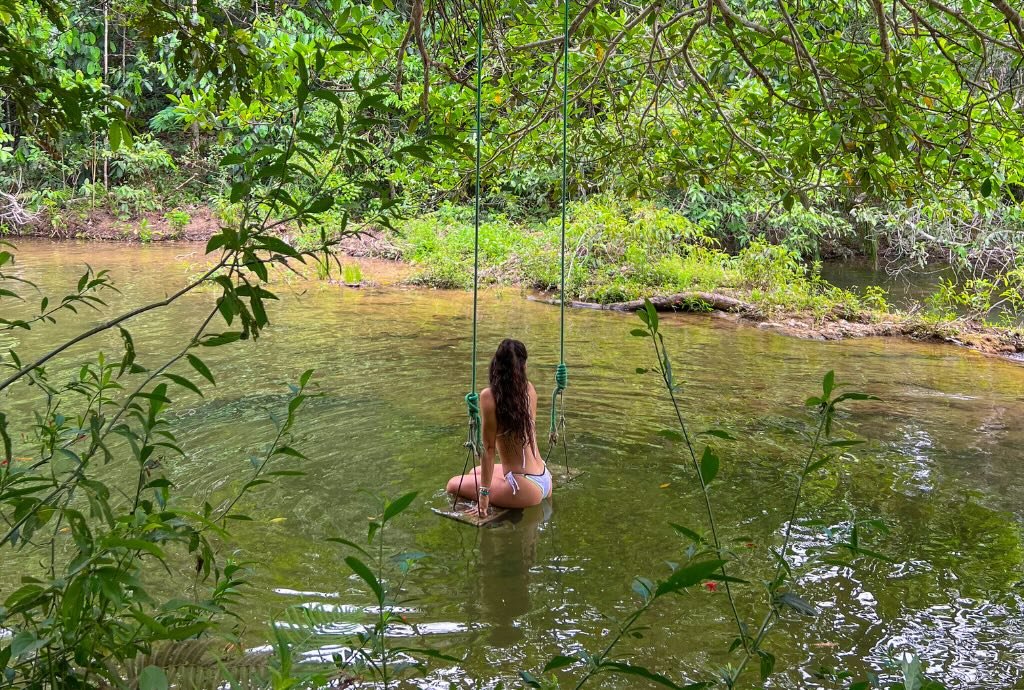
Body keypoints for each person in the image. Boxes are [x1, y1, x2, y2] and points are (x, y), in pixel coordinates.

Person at [446, 338, 554, 514]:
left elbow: (488, 449)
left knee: (452, 485)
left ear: (495, 364)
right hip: (544, 478)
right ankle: (511, 500)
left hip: (524, 488)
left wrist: (484, 496)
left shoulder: (489, 396)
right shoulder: (529, 389)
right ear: (523, 365)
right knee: (475, 471)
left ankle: (512, 514)